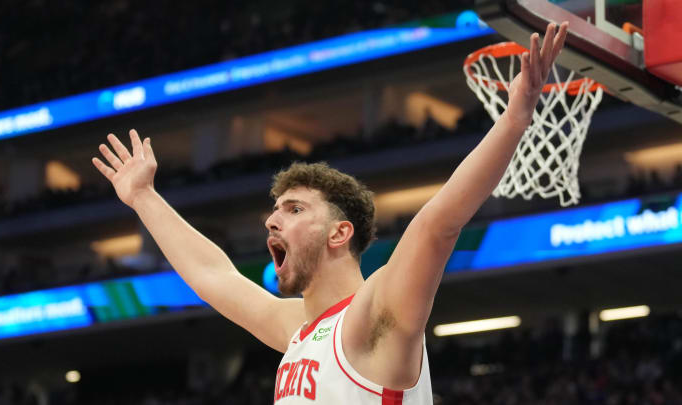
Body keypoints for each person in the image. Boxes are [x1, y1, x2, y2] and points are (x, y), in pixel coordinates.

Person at [92, 23, 569, 404]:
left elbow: (437, 225)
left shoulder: (378, 310)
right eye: (274, 210)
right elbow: (212, 273)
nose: (271, 221)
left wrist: (513, 121)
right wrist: (144, 198)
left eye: (294, 208)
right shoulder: (296, 329)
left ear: (340, 232)